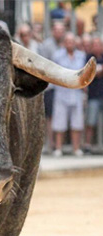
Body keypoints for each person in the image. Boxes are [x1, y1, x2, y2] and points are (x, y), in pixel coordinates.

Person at [51, 32, 85, 157]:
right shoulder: (57, 55)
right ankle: (58, 148)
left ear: (75, 43)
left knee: (77, 122)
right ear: (64, 43)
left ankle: (76, 149)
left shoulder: (81, 56)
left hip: (76, 93)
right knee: (59, 122)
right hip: (61, 92)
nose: (70, 43)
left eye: (72, 41)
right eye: (68, 41)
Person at [39, 22, 65, 153]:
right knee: (49, 116)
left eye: (61, 30)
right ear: (52, 31)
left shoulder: (66, 43)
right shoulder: (47, 45)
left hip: (63, 87)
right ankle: (50, 144)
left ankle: (59, 145)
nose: (59, 32)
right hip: (50, 87)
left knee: (59, 116)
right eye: (57, 29)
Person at [84, 35, 103, 153]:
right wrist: (96, 73)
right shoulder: (88, 58)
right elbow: (86, 74)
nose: (96, 47)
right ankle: (87, 145)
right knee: (91, 122)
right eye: (94, 44)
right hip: (93, 95)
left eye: (99, 44)